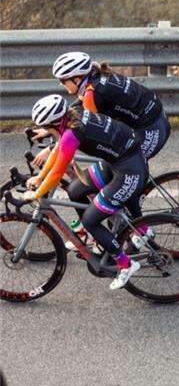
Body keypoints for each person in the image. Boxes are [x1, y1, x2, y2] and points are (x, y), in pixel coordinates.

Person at [23, 95, 147, 290]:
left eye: (46, 127)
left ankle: (126, 264)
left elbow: (57, 173)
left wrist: (38, 192)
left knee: (90, 220)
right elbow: (58, 150)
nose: (46, 131)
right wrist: (39, 179)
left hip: (128, 170)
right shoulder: (75, 115)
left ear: (55, 124)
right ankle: (95, 236)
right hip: (117, 160)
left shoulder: (72, 134)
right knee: (75, 190)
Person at [33, 51, 170, 166]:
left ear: (77, 79)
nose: (61, 84)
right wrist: (49, 127)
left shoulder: (94, 93)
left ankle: (132, 197)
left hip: (151, 129)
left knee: (122, 165)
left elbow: (82, 128)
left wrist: (51, 149)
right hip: (151, 117)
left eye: (63, 80)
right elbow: (76, 109)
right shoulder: (95, 78)